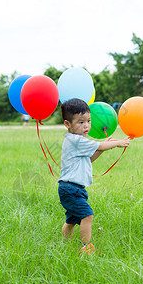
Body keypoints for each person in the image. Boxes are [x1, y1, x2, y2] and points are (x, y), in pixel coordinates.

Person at [58, 98, 130, 255]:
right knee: (87, 215)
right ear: (67, 124)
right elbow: (99, 145)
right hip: (71, 189)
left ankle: (63, 245)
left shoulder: (77, 141)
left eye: (88, 121)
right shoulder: (76, 140)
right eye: (80, 122)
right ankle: (87, 246)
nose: (86, 126)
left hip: (71, 188)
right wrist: (117, 143)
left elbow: (90, 158)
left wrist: (102, 148)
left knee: (71, 220)